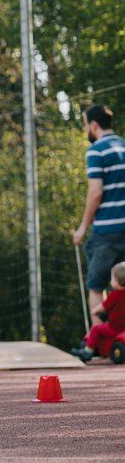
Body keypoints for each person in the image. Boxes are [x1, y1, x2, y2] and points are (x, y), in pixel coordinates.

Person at [73, 105, 125, 326]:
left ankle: (100, 343)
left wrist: (83, 227)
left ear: (93, 125)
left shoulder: (96, 150)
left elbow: (95, 193)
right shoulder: (124, 145)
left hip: (107, 230)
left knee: (97, 284)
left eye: (86, 124)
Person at [72, 262, 125, 362]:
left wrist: (94, 311)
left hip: (115, 327)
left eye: (112, 278)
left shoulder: (114, 296)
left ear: (117, 282)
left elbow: (103, 306)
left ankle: (87, 351)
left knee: (96, 329)